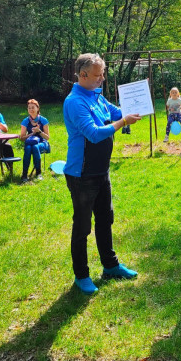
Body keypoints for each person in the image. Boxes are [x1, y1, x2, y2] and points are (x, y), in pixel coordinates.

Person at [63, 53, 141, 295]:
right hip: (82, 174)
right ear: (83, 75)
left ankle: (110, 265)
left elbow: (116, 112)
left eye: (103, 73)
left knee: (105, 219)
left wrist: (136, 104)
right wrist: (123, 122)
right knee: (83, 227)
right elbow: (94, 133)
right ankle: (82, 275)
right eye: (98, 75)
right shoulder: (75, 102)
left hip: (101, 171)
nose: (102, 79)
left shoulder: (96, 96)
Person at [19, 99, 50, 183]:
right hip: (30, 142)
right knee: (29, 148)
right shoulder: (25, 121)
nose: (31, 110)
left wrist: (39, 131)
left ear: (37, 108)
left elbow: (47, 137)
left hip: (43, 143)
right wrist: (31, 134)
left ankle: (38, 173)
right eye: (29, 108)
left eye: (33, 107)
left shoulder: (43, 120)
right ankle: (24, 175)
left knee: (35, 147)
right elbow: (21, 138)